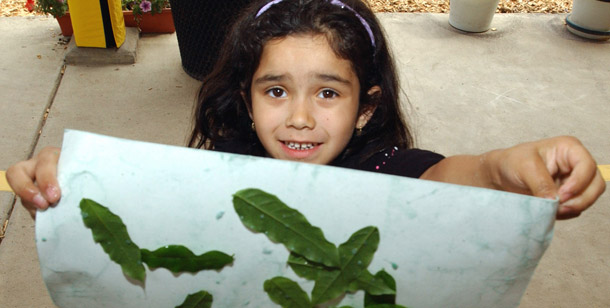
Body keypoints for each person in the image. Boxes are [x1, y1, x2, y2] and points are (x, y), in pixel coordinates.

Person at [6, 0, 605, 220]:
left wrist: (508, 168)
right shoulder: (224, 165)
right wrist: (75, 181)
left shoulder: (385, 171)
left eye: (327, 92)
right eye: (274, 91)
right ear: (244, 99)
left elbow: (457, 178)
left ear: (366, 107)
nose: (299, 117)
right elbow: (144, 197)